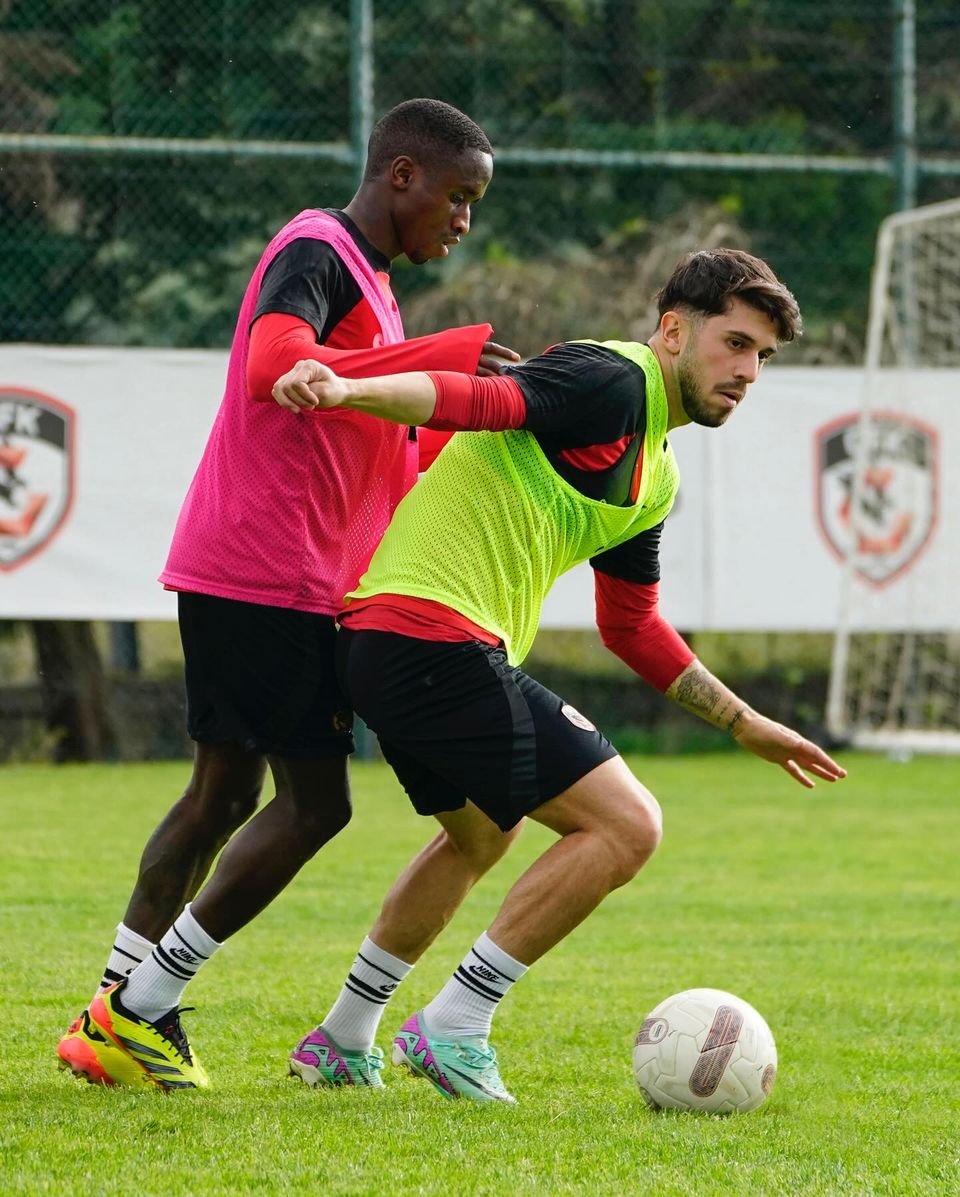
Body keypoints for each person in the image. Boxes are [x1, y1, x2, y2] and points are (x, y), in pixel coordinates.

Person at [271, 248, 847, 1103]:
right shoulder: (613, 378)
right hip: (429, 636)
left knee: (481, 835)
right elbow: (479, 401)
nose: (748, 371)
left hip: (400, 645)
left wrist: (742, 722)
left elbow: (631, 624)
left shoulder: (653, 472)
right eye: (734, 344)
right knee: (627, 825)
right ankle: (456, 1024)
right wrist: (350, 387)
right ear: (674, 330)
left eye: (763, 356)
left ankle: (346, 1037)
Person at [56, 98, 523, 1091]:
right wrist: (435, 360)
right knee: (313, 807)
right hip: (264, 571)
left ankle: (124, 1013)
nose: (463, 220)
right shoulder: (317, 244)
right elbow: (277, 363)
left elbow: (367, 432)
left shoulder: (380, 298)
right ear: (402, 175)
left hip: (275, 573)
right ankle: (129, 1015)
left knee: (222, 793)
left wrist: (468, 415)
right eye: (457, 196)